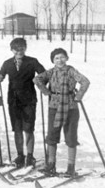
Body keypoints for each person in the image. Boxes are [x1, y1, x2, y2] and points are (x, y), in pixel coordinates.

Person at [34, 48, 90, 176]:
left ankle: (71, 168)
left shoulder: (71, 71)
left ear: (67, 58)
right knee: (52, 137)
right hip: (54, 107)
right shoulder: (51, 72)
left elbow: (85, 82)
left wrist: (78, 96)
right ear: (53, 60)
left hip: (71, 107)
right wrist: (45, 91)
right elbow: (37, 79)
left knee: (70, 137)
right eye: (56, 58)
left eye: (62, 57)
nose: (60, 60)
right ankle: (50, 165)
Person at [0, 37, 46, 168]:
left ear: (25, 48)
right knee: (17, 129)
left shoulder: (32, 61)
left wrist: (40, 80)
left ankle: (30, 155)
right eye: (16, 50)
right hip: (13, 100)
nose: (19, 52)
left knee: (28, 129)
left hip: (29, 100)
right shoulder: (7, 63)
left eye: (21, 49)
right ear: (12, 50)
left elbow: (45, 74)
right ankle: (20, 155)